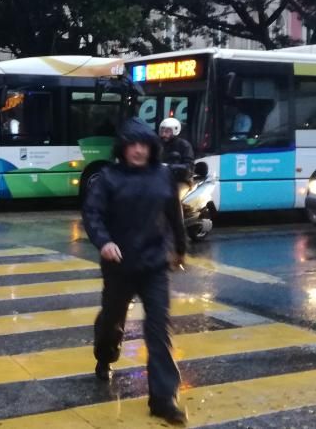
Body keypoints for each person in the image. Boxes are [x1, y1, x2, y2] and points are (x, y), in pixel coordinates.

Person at [82, 118, 189, 425]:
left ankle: (163, 399)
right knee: (111, 322)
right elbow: (92, 213)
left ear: (152, 147)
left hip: (154, 265)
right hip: (119, 266)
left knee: (158, 330)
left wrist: (179, 248)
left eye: (144, 144)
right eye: (133, 145)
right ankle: (105, 355)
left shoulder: (163, 176)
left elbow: (173, 215)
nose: (139, 151)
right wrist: (104, 242)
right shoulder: (109, 177)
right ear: (124, 147)